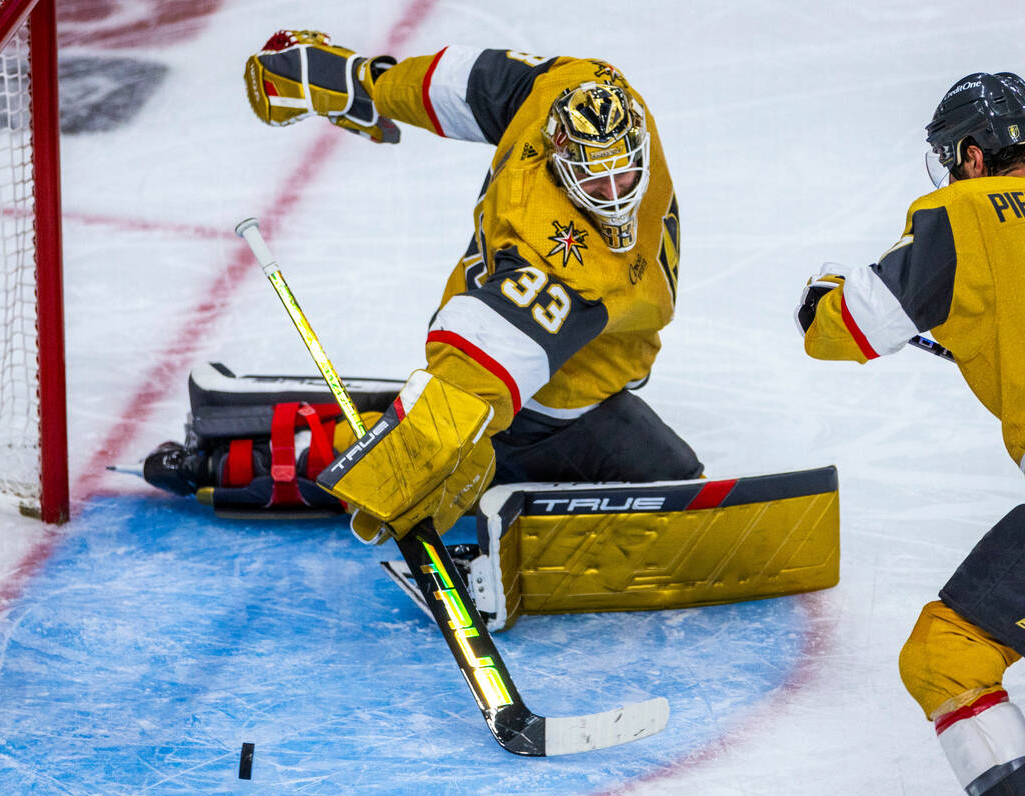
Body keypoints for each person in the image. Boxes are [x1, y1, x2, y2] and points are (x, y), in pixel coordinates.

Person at [143, 30, 701, 532]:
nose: (614, 196)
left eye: (623, 172)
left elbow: (459, 83)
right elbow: (472, 377)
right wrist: (414, 464)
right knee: (671, 479)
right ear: (560, 162)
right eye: (593, 181)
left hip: (553, 341)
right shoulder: (556, 260)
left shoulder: (575, 88)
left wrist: (363, 84)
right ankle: (248, 461)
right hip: (546, 380)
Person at [795, 71, 1025, 796]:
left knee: (945, 656)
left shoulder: (965, 212)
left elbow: (844, 329)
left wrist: (819, 302)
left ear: (972, 156)